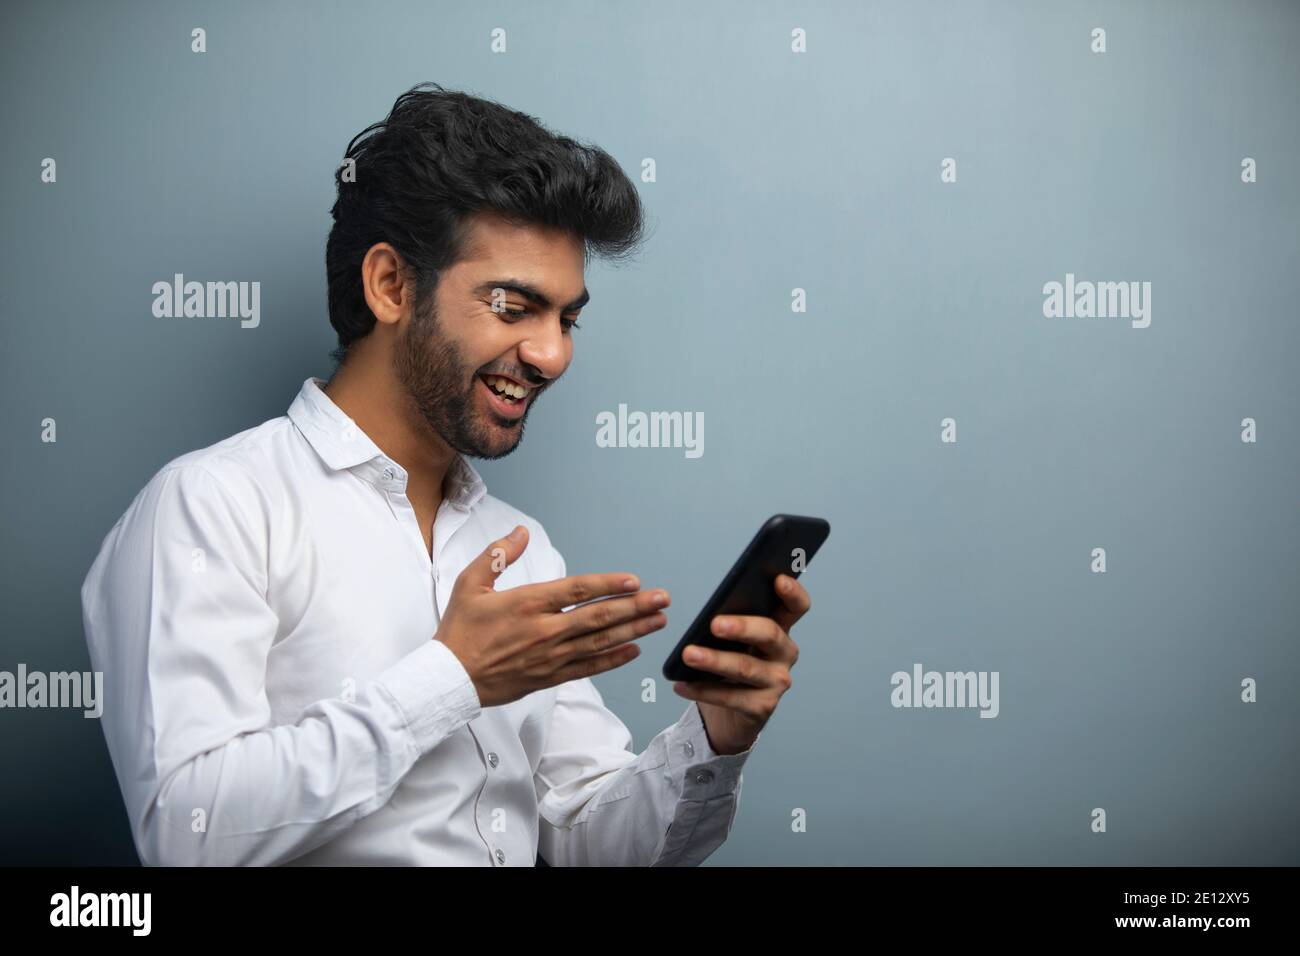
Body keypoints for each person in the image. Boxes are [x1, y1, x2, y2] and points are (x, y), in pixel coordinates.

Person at [80, 83, 812, 866]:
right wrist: (452, 677)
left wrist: (714, 738)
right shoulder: (213, 508)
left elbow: (586, 843)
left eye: (567, 318)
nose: (553, 354)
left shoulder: (520, 548)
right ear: (392, 285)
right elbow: (183, 833)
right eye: (513, 306)